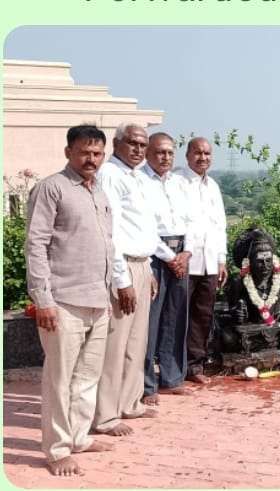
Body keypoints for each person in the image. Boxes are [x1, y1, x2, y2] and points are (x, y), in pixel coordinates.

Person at [24, 125, 115, 476]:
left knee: (87, 377)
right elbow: (36, 245)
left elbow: (106, 246)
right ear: (68, 152)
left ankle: (78, 437)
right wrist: (43, 300)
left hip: (98, 300)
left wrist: (109, 292)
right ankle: (57, 449)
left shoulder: (99, 191)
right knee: (59, 380)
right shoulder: (52, 188)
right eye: (84, 152)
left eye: (97, 153)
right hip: (63, 300)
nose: (91, 159)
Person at [93, 122, 160, 437]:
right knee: (115, 344)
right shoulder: (110, 174)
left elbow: (143, 228)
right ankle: (105, 414)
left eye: (142, 144)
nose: (138, 149)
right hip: (123, 267)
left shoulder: (138, 177)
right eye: (132, 143)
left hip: (141, 264)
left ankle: (130, 402)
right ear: (117, 143)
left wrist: (149, 268)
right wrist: (122, 280)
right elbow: (112, 232)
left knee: (136, 341)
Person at [140, 132, 196, 405]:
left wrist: (186, 252)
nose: (165, 157)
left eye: (170, 153)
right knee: (150, 321)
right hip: (154, 254)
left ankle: (172, 378)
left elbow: (191, 220)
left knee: (175, 318)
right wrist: (170, 257)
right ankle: (146, 384)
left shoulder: (178, 183)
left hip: (181, 252)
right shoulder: (140, 181)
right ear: (148, 153)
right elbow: (143, 226)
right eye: (160, 152)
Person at [177, 137, 228, 384]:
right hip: (184, 262)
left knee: (202, 317)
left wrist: (221, 259)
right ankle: (173, 368)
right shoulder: (177, 182)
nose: (203, 158)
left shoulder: (213, 186)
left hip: (209, 262)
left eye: (207, 153)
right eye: (198, 153)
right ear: (187, 155)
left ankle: (194, 366)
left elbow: (220, 226)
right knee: (178, 316)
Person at [220, 227, 280, 354]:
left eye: (268, 260)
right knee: (228, 338)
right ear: (250, 262)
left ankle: (261, 345)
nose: (265, 265)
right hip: (251, 326)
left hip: (276, 324)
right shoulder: (239, 281)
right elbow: (233, 308)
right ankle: (268, 344)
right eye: (260, 261)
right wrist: (238, 313)